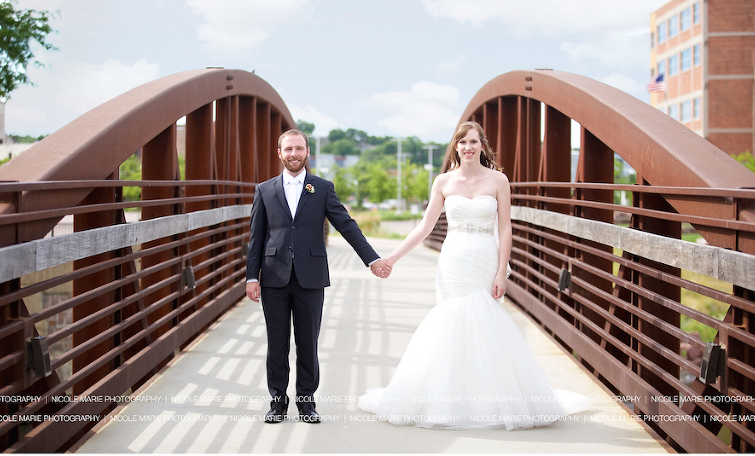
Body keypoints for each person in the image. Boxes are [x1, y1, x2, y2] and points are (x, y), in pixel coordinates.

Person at [358, 121, 591, 429]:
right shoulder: (443, 181)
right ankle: (449, 401)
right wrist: (392, 258)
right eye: (462, 142)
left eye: (473, 141)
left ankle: (490, 401)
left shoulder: (498, 180)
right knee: (451, 325)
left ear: (482, 146)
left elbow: (505, 228)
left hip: (485, 259)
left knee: (486, 325)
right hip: (453, 261)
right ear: (456, 147)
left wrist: (502, 271)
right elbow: (425, 226)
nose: (468, 147)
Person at [246, 129, 390, 424]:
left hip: (310, 277)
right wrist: (251, 277)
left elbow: (346, 225)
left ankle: (306, 404)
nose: (294, 154)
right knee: (277, 344)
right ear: (279, 153)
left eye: (299, 148)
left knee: (308, 343)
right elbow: (256, 238)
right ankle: (277, 404)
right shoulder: (264, 190)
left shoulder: (322, 188)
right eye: (288, 149)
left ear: (307, 152)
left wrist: (372, 259)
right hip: (273, 277)